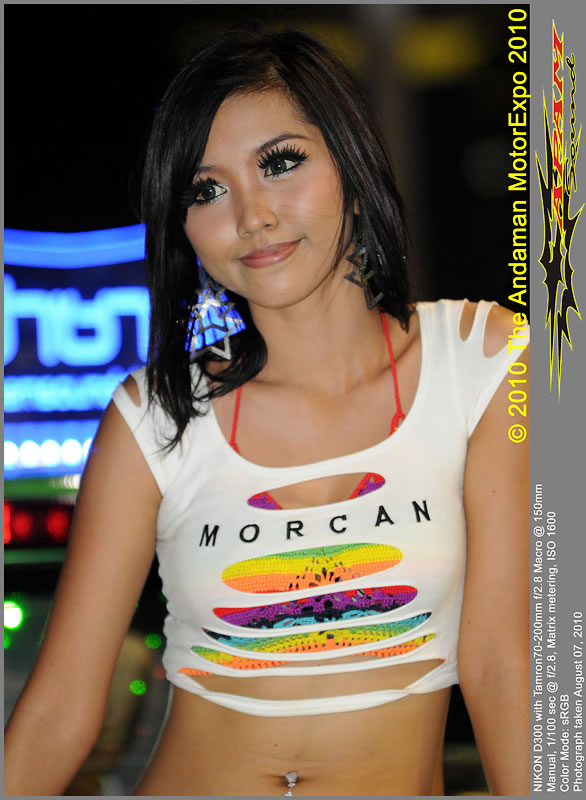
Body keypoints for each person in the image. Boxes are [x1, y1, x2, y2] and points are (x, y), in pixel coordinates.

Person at [4, 26, 530, 796]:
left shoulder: (484, 361)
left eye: (280, 163)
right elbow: (59, 711)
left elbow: (505, 665)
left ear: (350, 160)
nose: (251, 215)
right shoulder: (154, 415)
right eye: (206, 190)